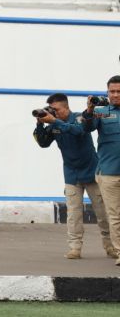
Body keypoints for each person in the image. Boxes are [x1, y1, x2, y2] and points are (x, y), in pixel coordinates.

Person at [34, 93, 116, 260]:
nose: (53, 112)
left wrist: (54, 121)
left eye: (56, 109)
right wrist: (40, 123)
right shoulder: (52, 123)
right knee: (73, 214)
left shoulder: (79, 118)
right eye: (51, 109)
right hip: (71, 174)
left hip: (92, 172)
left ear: (66, 107)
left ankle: (110, 247)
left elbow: (78, 131)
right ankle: (75, 248)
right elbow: (43, 143)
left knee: (103, 214)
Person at [83, 76, 120, 265]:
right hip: (109, 174)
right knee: (115, 215)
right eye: (112, 91)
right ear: (107, 92)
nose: (115, 95)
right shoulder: (100, 112)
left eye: (119, 91)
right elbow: (87, 127)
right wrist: (89, 110)